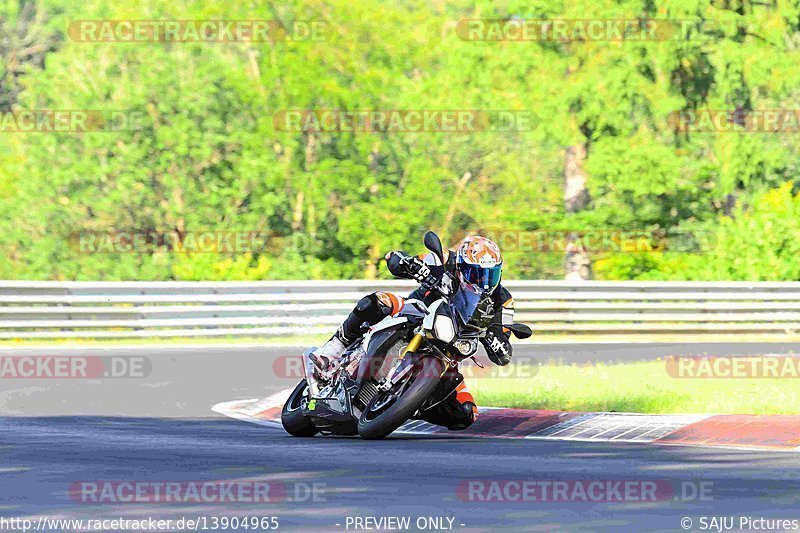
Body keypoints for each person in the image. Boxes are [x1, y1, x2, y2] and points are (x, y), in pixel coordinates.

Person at [310, 235, 515, 430]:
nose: (484, 281)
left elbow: (504, 342)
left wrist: (497, 343)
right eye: (477, 273)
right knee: (379, 301)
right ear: (462, 266)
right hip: (416, 312)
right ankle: (334, 347)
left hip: (449, 349)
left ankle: (405, 404)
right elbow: (394, 258)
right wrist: (409, 264)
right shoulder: (445, 259)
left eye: (491, 274)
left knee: (466, 413)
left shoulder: (503, 300)